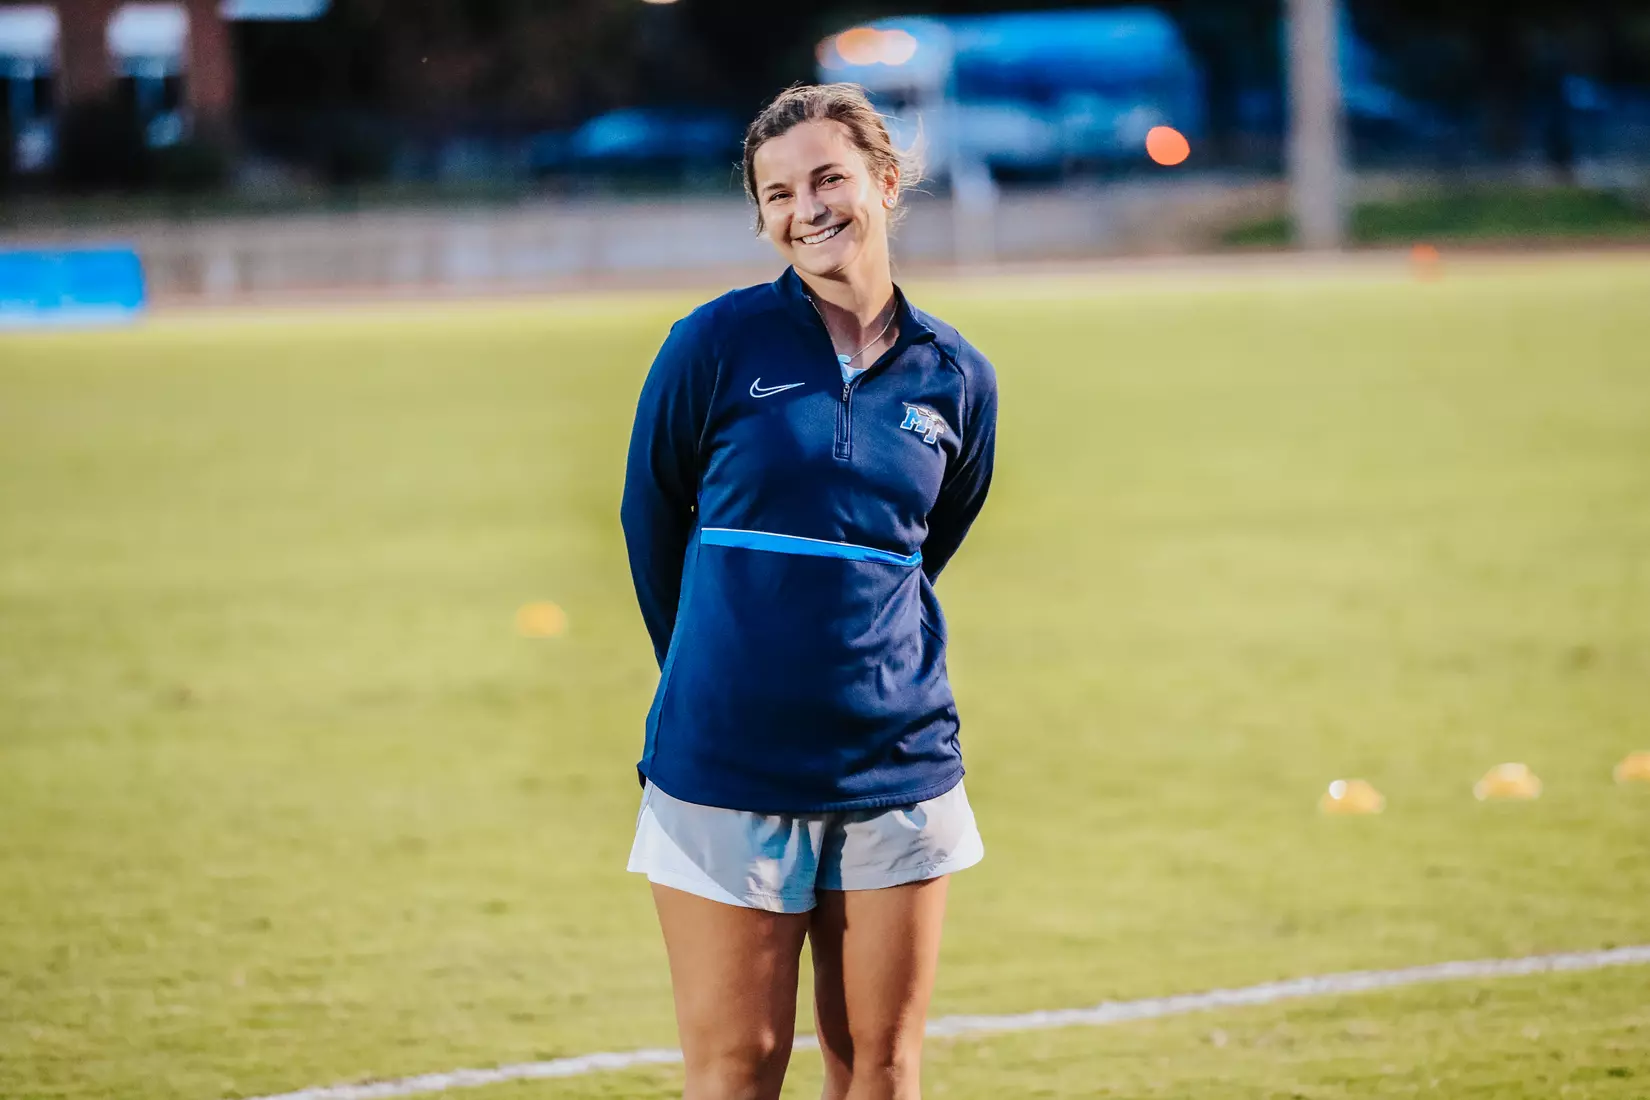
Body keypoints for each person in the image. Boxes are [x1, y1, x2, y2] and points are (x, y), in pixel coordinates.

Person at [620, 82, 999, 1100]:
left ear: (884, 181)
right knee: (736, 1069)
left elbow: (923, 547)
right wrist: (715, 666)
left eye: (829, 178)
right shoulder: (714, 345)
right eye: (779, 194)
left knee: (878, 1068)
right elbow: (648, 524)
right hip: (724, 759)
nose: (809, 207)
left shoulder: (955, 375)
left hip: (896, 762)